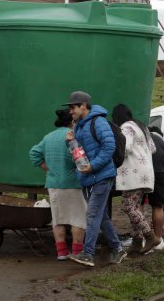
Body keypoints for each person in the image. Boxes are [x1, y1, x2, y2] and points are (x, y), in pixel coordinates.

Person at [63, 91, 126, 267]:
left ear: (84, 105)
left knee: (92, 214)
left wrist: (93, 166)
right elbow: (77, 151)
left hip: (102, 176)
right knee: (101, 216)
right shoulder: (78, 125)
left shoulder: (99, 121)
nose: (71, 111)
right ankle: (118, 249)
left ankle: (88, 253)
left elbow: (109, 147)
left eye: (73, 107)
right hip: (88, 177)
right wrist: (69, 141)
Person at [28, 108, 87, 261]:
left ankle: (61, 252)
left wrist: (46, 167)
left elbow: (33, 153)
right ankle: (76, 252)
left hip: (53, 184)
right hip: (74, 183)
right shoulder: (73, 136)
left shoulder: (48, 137)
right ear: (72, 121)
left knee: (58, 219)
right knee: (77, 219)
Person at [111, 104, 160, 254]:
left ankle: (150, 236)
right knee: (135, 207)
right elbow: (153, 149)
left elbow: (125, 148)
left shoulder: (126, 127)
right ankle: (137, 241)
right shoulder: (141, 126)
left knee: (128, 206)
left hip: (133, 173)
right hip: (145, 172)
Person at [145, 126, 164, 252]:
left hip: (142, 174)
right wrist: (163, 186)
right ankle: (159, 239)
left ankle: (142, 239)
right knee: (158, 207)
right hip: (159, 174)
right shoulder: (163, 144)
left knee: (138, 206)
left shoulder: (144, 137)